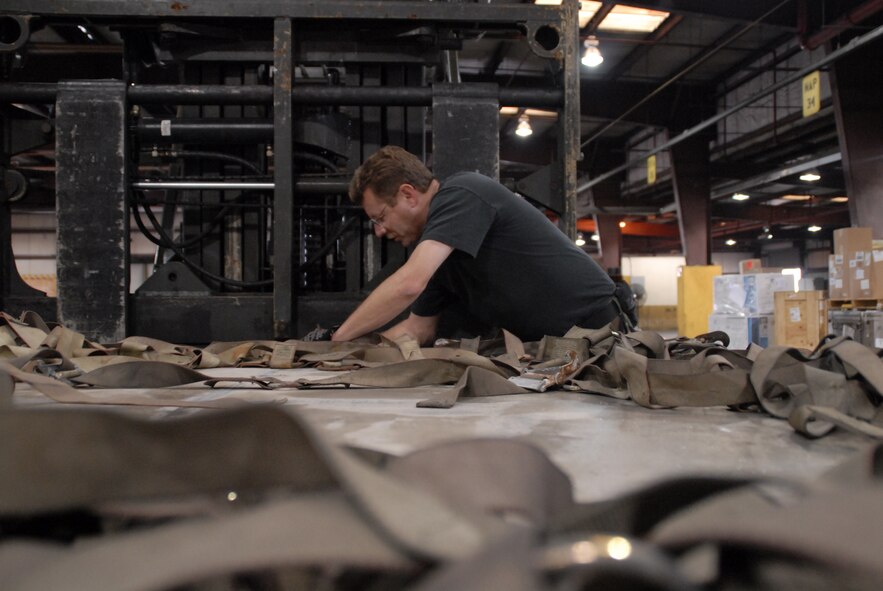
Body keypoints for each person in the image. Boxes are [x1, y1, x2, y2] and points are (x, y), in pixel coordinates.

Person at [330, 145, 617, 344]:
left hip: (599, 332)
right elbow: (418, 329)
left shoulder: (462, 193)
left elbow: (409, 284)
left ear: (408, 194)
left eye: (380, 217)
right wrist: (354, 353)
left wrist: (341, 337)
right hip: (560, 348)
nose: (379, 231)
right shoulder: (441, 253)